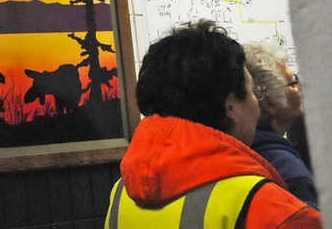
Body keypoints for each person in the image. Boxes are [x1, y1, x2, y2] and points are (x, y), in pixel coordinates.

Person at [105, 20, 321, 228]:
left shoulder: (122, 193)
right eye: (252, 92)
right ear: (231, 107)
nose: (257, 106)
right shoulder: (271, 209)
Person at [243, 42, 318, 207]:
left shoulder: (243, 148)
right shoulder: (292, 174)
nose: (300, 88)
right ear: (270, 103)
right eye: (292, 83)